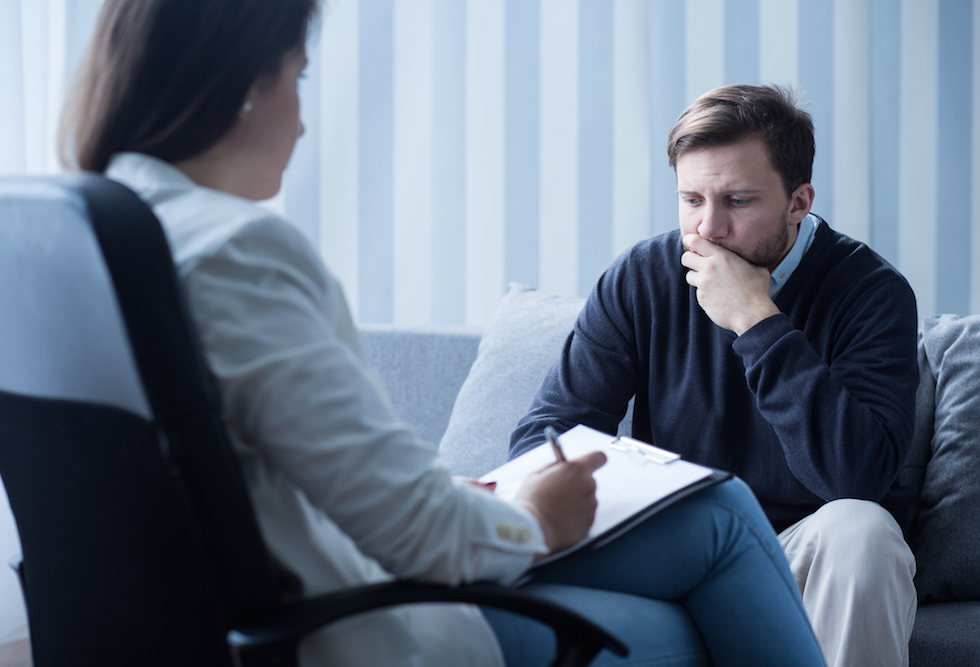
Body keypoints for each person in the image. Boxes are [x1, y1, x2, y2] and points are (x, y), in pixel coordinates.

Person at [60, 3, 827, 665]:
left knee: (702, 552)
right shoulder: (237, 252)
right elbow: (420, 531)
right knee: (720, 524)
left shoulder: (78, 234)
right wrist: (533, 517)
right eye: (296, 77)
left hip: (189, 621)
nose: (301, 118)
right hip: (349, 627)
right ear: (238, 87)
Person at [510, 84, 920, 667]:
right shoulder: (643, 278)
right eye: (691, 200)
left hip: (804, 553)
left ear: (799, 201)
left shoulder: (871, 293)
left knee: (863, 531)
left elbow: (855, 477)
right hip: (687, 545)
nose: (708, 229)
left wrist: (757, 321)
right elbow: (544, 434)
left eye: (738, 201)